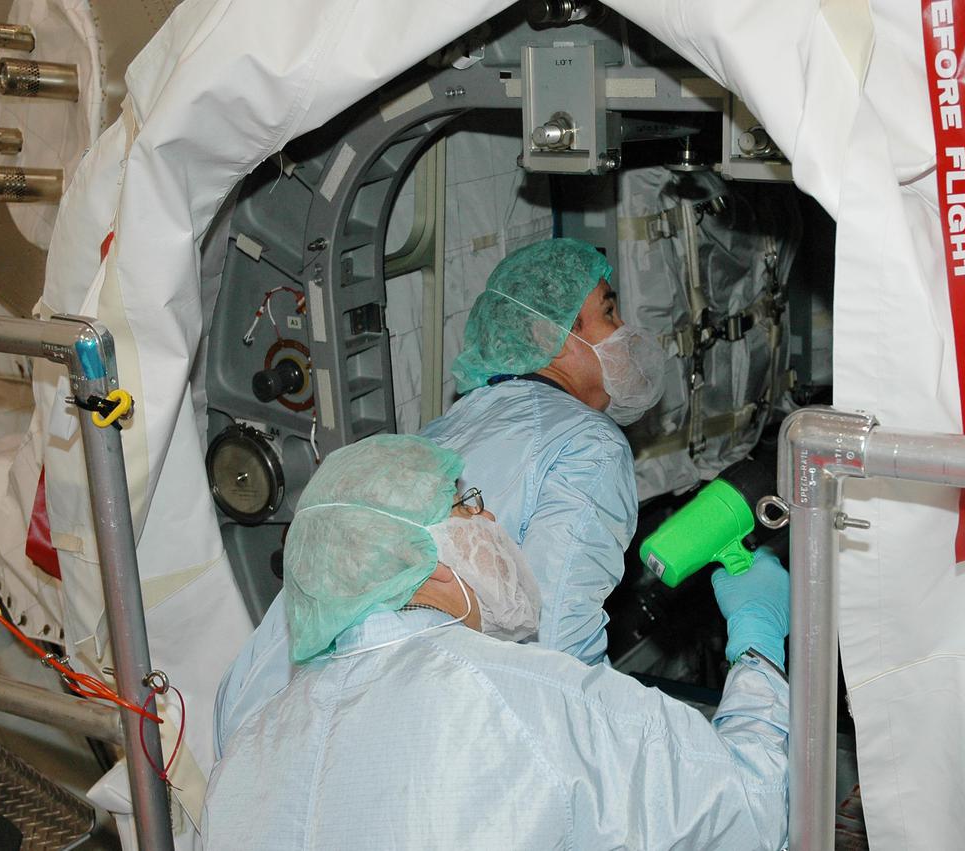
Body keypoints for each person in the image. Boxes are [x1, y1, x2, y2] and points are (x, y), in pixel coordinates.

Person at [202, 434, 790, 850]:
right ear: (418, 555)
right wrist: (758, 642)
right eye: (468, 505)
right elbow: (754, 809)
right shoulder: (529, 699)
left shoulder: (250, 748)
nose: (490, 523)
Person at [214, 238, 667, 755]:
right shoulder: (589, 445)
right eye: (609, 312)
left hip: (258, 722)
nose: (624, 331)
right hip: (361, 746)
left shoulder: (444, 428)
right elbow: (560, 649)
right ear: (553, 334)